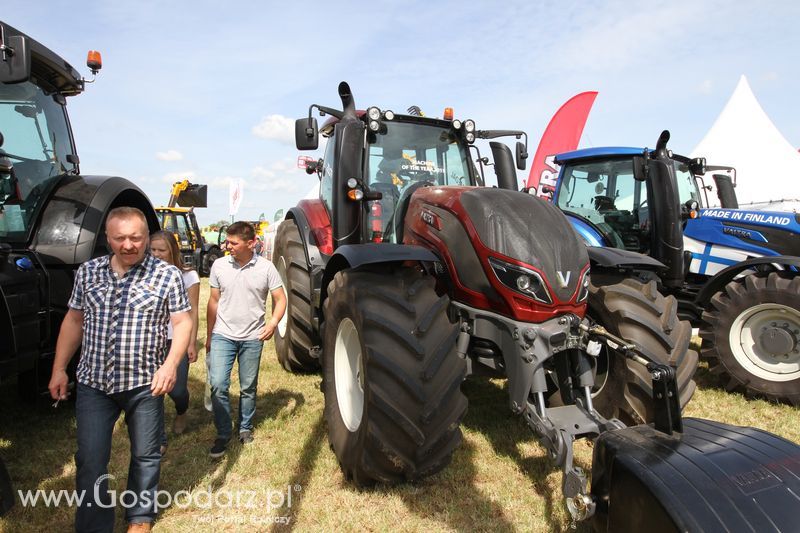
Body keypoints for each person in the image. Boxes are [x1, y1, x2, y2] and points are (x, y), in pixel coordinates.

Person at [48, 207, 192, 533]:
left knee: (146, 454)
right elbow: (74, 320)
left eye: (136, 238)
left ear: (145, 235)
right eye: (120, 238)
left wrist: (170, 365)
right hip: (94, 383)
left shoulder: (166, 275)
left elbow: (183, 323)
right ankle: (94, 525)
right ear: (108, 238)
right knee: (90, 458)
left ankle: (139, 518)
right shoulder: (88, 272)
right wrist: (59, 369)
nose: (129, 245)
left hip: (145, 382)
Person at [206, 221, 286, 458]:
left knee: (248, 387)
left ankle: (245, 428)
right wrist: (210, 335)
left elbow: (280, 299)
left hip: (253, 336)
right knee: (218, 384)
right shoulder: (219, 265)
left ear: (251, 244)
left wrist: (272, 324)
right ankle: (222, 432)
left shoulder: (267, 268)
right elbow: (213, 301)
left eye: (233, 242)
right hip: (223, 335)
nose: (227, 246)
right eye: (227, 241)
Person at [149, 230, 200, 448]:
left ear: (173, 250)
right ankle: (158, 438)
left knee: (177, 389)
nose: (157, 254)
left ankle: (182, 410)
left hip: (177, 339)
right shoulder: (144, 275)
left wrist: (191, 342)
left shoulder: (189, 276)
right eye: (152, 250)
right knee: (153, 391)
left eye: (162, 250)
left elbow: (194, 311)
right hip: (152, 340)